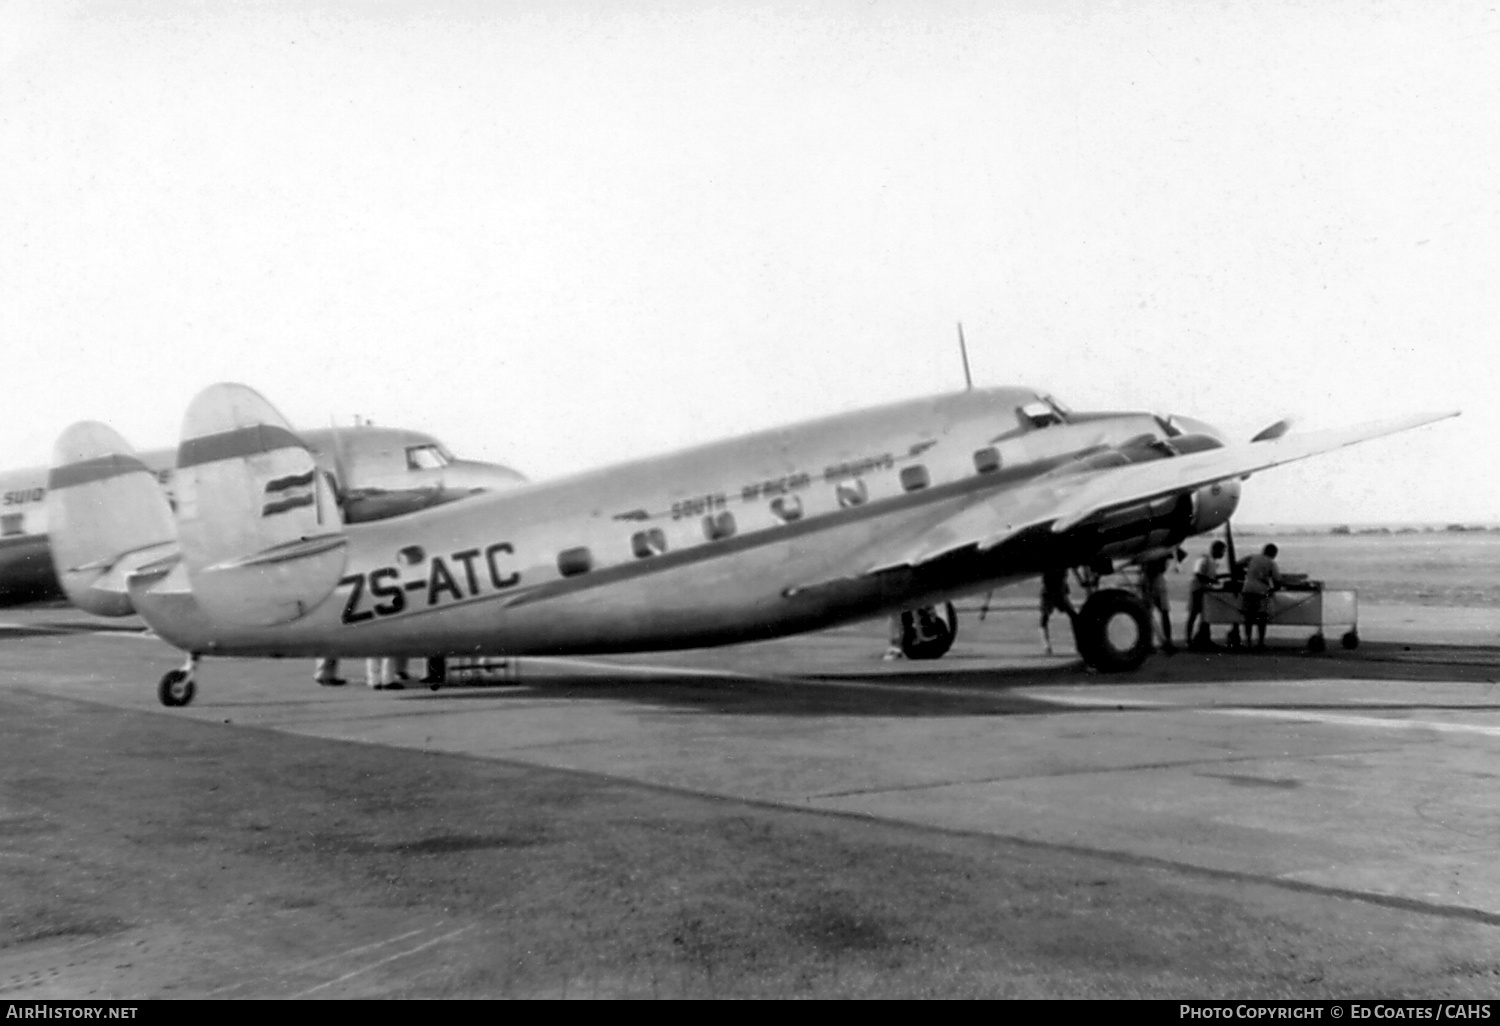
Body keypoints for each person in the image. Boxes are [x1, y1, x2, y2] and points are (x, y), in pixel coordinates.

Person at [1240, 543, 1284, 650]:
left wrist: (1245, 574)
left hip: (1247, 588)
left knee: (1248, 617)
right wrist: (1273, 589)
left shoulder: (1252, 557)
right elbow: (1277, 580)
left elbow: (1237, 565)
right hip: (1261, 590)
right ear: (1273, 553)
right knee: (1261, 617)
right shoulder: (1271, 563)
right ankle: (1260, 642)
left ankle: (1248, 641)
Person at [1186, 540, 1227, 648]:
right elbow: (1198, 574)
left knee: (1206, 615)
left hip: (1206, 591)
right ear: (1215, 550)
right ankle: (1189, 640)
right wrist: (1213, 581)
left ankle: (1204, 639)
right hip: (1198, 590)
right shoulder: (1203, 559)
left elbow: (1212, 576)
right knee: (1193, 615)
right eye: (1222, 551)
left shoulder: (1213, 561)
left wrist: (1224, 576)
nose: (1223, 554)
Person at [1140, 555, 1175, 654]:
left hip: (1149, 579)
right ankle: (1165, 642)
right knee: (1161, 612)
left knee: (1150, 614)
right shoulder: (1158, 551)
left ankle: (1150, 643)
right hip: (1153, 579)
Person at [1039, 567, 1076, 656]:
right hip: (1053, 591)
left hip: (1057, 591)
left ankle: (1046, 645)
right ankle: (1045, 645)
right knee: (1045, 619)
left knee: (1045, 619)